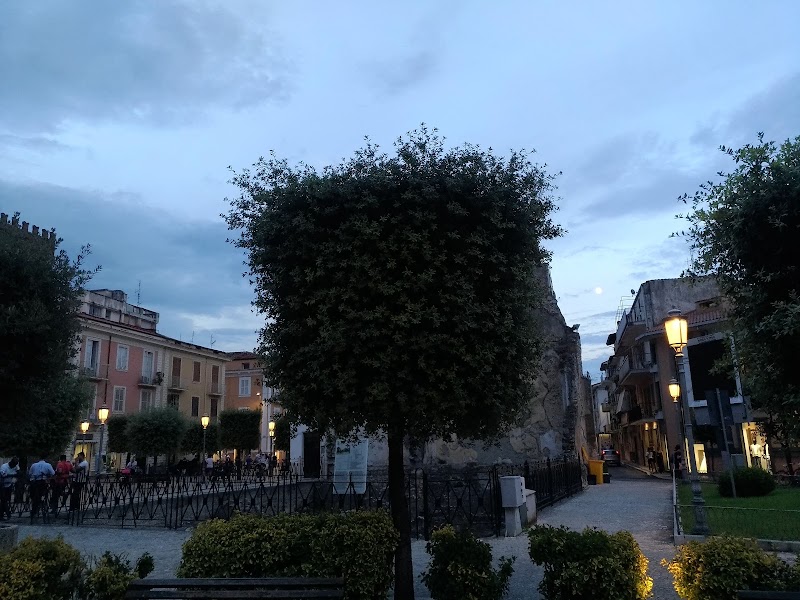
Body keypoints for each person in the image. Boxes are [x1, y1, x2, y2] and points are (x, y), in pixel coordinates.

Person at [28, 454, 55, 523]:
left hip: (34, 483)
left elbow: (30, 473)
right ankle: (41, 507)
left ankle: (34, 510)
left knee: (35, 497)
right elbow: (53, 473)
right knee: (42, 496)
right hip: (42, 484)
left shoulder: (34, 465)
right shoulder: (48, 465)